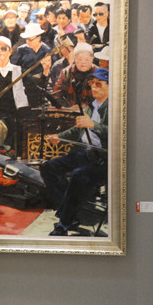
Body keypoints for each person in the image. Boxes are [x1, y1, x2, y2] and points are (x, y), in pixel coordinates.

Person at [41, 68, 109, 236]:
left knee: (79, 175)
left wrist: (93, 125)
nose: (94, 87)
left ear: (110, 86)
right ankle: (71, 212)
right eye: (92, 83)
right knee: (48, 167)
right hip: (87, 154)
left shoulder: (115, 107)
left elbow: (120, 133)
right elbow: (77, 130)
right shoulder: (91, 106)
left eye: (99, 84)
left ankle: (64, 224)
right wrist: (59, 137)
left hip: (106, 160)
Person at [10, 22, 52, 107]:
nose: (28, 42)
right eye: (27, 39)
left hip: (40, 87)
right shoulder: (21, 50)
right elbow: (13, 67)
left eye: (30, 39)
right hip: (23, 85)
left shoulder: (47, 51)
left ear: (38, 38)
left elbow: (48, 73)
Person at [51, 42, 97, 108]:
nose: (83, 62)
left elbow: (104, 97)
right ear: (74, 59)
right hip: (71, 109)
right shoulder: (66, 72)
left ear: (92, 59)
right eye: (80, 59)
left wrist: (86, 107)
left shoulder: (98, 73)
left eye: (86, 59)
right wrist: (68, 107)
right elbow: (56, 94)